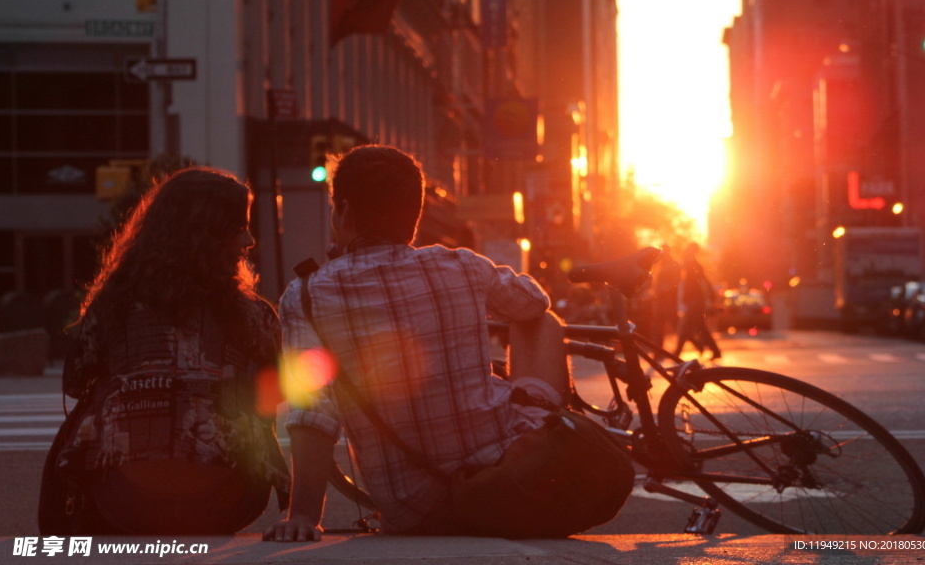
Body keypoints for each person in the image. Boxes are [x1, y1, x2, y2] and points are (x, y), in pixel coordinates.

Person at [264, 145, 575, 541]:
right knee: (543, 322)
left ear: (342, 211)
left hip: (411, 508)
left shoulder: (306, 295)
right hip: (509, 475)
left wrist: (304, 514)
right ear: (416, 213)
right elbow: (534, 303)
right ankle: (553, 437)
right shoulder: (461, 264)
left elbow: (313, 408)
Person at [54, 167, 291, 535]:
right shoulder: (255, 315)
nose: (249, 240)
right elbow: (273, 400)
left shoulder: (113, 305)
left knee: (99, 392)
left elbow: (75, 382)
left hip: (124, 501)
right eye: (238, 227)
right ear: (209, 237)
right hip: (229, 500)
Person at [673, 242, 722, 360]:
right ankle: (714, 350)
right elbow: (703, 281)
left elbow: (701, 282)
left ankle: (677, 353)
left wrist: (709, 296)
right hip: (695, 302)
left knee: (685, 328)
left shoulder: (692, 264)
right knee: (700, 328)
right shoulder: (693, 264)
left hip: (694, 302)